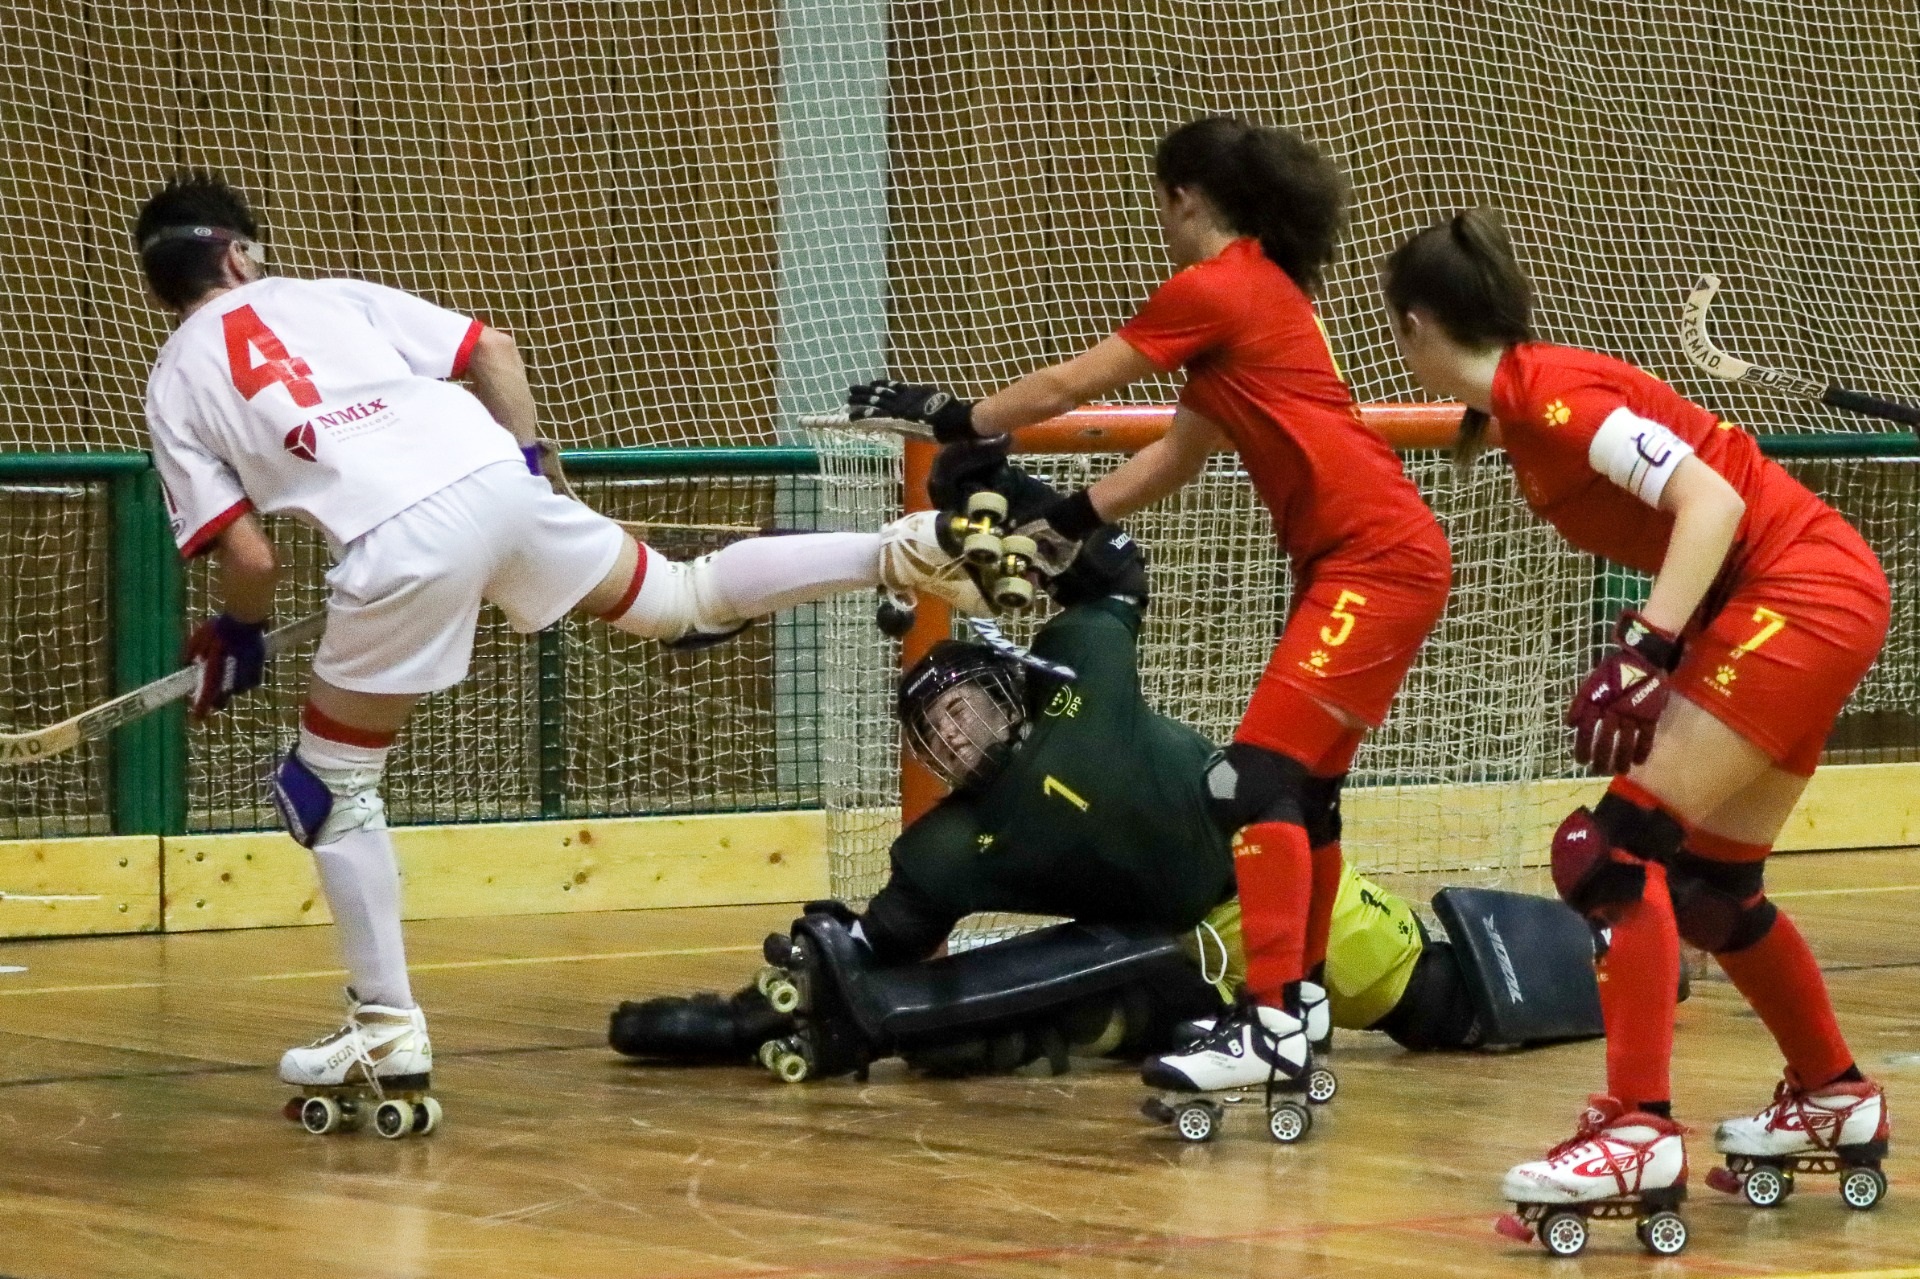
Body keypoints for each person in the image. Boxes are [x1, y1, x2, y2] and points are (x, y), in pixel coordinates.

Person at [132, 172, 999, 1128]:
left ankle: (385, 1024)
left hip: (397, 541)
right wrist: (532, 466)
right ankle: (901, 548)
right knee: (683, 597)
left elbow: (251, 559)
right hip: (497, 478)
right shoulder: (328, 295)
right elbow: (489, 348)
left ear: (163, 283)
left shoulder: (174, 380)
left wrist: (239, 630)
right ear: (238, 255)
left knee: (330, 781)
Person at [612, 456, 1596, 1077]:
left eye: (962, 709)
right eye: (934, 732)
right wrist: (749, 1017)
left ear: (1008, 690)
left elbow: (1114, 566)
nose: (953, 737)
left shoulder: (1079, 673)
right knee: (965, 1039)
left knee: (1430, 1000)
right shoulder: (949, 842)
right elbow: (878, 944)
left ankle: (1614, 958)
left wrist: (994, 493)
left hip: (1262, 892)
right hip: (1157, 949)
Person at [845, 116, 1452, 1112]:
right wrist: (1064, 523)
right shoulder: (1261, 300)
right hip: (1372, 558)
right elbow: (1175, 456)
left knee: (1252, 782)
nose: (1160, 222)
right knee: (1305, 795)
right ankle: (1296, 1004)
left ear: (1184, 196)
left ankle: (1269, 1021)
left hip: (1370, 560)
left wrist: (956, 418)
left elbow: (1071, 383)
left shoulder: (1216, 286)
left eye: (1160, 205)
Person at [1381, 210, 1891, 1228]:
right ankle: (1833, 1092)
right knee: (1709, 888)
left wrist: (1648, 649)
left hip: (1794, 592)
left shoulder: (1551, 395)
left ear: (1416, 324)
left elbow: (1714, 504)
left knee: (1609, 851)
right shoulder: (1526, 403)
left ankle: (1639, 1128)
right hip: (1795, 596)